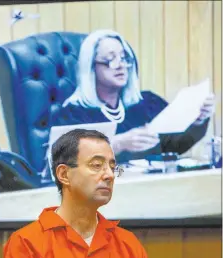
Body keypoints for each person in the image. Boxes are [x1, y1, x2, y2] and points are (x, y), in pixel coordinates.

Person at [1, 129, 151, 258]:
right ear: (64, 174)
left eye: (112, 167)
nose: (109, 175)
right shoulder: (27, 243)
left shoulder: (127, 244)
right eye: (97, 165)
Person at [54, 29, 215, 163]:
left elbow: (175, 146)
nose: (121, 65)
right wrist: (117, 144)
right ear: (90, 67)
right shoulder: (73, 114)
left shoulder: (147, 103)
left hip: (155, 189)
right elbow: (66, 161)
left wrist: (198, 119)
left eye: (124, 58)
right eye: (110, 59)